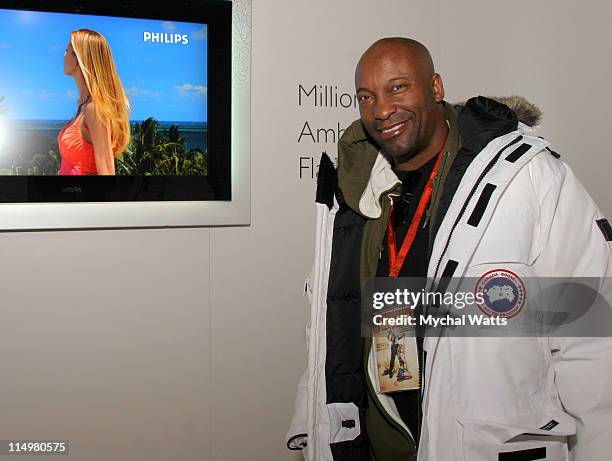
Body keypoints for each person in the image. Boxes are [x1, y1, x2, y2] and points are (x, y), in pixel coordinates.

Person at [286, 37, 612, 461]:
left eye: (398, 87)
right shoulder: (356, 193)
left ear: (435, 88)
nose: (382, 109)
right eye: (367, 96)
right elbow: (330, 328)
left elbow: (590, 338)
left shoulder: (527, 179)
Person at [59, 29, 130, 175]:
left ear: (78, 58)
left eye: (67, 50)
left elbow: (107, 171)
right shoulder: (83, 106)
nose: (63, 55)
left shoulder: (94, 109)